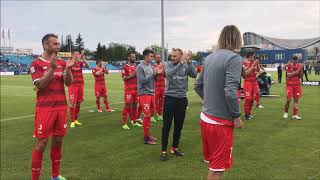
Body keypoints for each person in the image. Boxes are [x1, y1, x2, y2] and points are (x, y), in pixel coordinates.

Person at [194, 25, 243, 180]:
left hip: (206, 117)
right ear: (237, 38)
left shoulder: (209, 58)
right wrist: (236, 116)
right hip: (220, 122)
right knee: (217, 169)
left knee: (213, 165)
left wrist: (207, 100)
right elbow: (230, 91)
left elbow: (197, 85)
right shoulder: (234, 58)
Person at [30, 34, 75, 180]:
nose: (58, 46)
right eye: (55, 44)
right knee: (42, 143)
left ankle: (55, 176)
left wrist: (68, 69)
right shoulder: (35, 64)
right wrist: (51, 69)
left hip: (61, 107)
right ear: (45, 45)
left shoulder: (62, 63)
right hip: (45, 109)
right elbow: (40, 85)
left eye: (58, 43)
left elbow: (69, 83)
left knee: (58, 141)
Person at [160, 48, 197, 161]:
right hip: (170, 99)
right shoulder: (167, 64)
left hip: (182, 99)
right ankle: (164, 151)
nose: (172, 58)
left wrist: (189, 61)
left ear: (181, 56)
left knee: (178, 125)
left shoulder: (185, 65)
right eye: (172, 56)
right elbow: (170, 75)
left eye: (175, 56)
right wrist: (181, 63)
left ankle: (174, 148)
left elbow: (194, 74)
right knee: (166, 126)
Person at [136, 49, 162, 144]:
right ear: (146, 56)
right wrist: (154, 74)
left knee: (150, 114)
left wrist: (156, 74)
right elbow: (142, 80)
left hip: (151, 93)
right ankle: (146, 138)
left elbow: (152, 78)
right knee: (146, 115)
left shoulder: (150, 66)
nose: (153, 58)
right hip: (144, 94)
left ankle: (148, 135)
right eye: (151, 56)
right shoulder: (140, 67)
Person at [121, 52, 143, 129]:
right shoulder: (125, 67)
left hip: (136, 90)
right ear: (129, 58)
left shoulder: (136, 66)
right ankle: (124, 124)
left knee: (134, 106)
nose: (134, 58)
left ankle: (134, 121)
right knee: (127, 106)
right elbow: (124, 78)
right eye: (133, 57)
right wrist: (133, 74)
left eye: (135, 57)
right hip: (128, 90)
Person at [68, 51, 90, 128]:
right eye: (76, 54)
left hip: (80, 84)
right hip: (73, 85)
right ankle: (72, 121)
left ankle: (76, 119)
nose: (78, 55)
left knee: (78, 102)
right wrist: (75, 59)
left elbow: (88, 66)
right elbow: (67, 68)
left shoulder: (80, 63)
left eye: (78, 54)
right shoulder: (69, 62)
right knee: (72, 103)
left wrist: (83, 58)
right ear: (73, 55)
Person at [242, 51, 260, 120]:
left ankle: (249, 113)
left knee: (252, 99)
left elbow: (259, 70)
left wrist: (257, 64)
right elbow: (246, 74)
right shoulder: (245, 63)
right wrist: (253, 66)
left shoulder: (254, 63)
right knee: (248, 99)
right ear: (250, 56)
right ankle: (246, 114)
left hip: (254, 82)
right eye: (253, 56)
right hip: (248, 83)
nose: (254, 57)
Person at [153, 54, 165, 122]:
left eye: (160, 57)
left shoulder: (163, 66)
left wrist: (164, 70)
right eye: (157, 57)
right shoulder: (153, 67)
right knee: (155, 102)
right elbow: (153, 77)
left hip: (163, 86)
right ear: (155, 59)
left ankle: (160, 114)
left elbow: (165, 75)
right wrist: (157, 72)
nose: (159, 58)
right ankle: (156, 113)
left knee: (162, 101)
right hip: (156, 87)